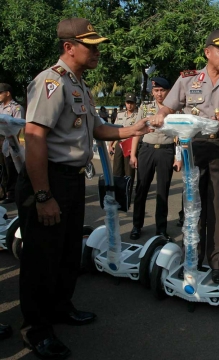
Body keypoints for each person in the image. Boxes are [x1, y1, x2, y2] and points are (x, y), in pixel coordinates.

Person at [16, 18, 150, 359]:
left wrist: (132, 130)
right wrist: (43, 196)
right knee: (41, 257)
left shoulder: (79, 85)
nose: (97, 51)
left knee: (65, 253)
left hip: (73, 179)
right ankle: (37, 329)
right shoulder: (51, 82)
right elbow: (34, 138)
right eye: (90, 44)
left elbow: (96, 129)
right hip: (48, 179)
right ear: (69, 47)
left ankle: (60, 307)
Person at [151, 29, 219, 284]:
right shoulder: (186, 80)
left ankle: (218, 262)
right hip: (193, 146)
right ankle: (192, 257)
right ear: (208, 52)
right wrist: (162, 115)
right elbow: (168, 106)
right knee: (192, 205)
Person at [129, 77, 180, 240]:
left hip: (166, 151)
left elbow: (180, 135)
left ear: (168, 91)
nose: (159, 94)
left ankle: (161, 229)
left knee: (163, 191)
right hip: (147, 150)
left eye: (162, 90)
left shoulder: (174, 109)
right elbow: (137, 131)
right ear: (152, 92)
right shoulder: (145, 108)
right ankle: (137, 226)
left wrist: (178, 157)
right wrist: (132, 154)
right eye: (156, 90)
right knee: (141, 188)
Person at [0, 83, 25, 203]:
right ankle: (4, 192)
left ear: (8, 93)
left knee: (13, 168)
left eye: (0, 93)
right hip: (1, 142)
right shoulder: (0, 107)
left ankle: (13, 193)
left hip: (12, 141)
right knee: (4, 168)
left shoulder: (16, 108)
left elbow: (18, 126)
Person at [109, 93, 138, 185]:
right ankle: (118, 191)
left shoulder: (138, 116)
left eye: (132, 103)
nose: (129, 105)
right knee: (117, 169)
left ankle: (128, 191)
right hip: (120, 144)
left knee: (129, 170)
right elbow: (115, 130)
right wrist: (110, 144)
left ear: (135, 104)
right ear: (125, 103)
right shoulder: (120, 115)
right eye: (128, 103)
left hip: (130, 145)